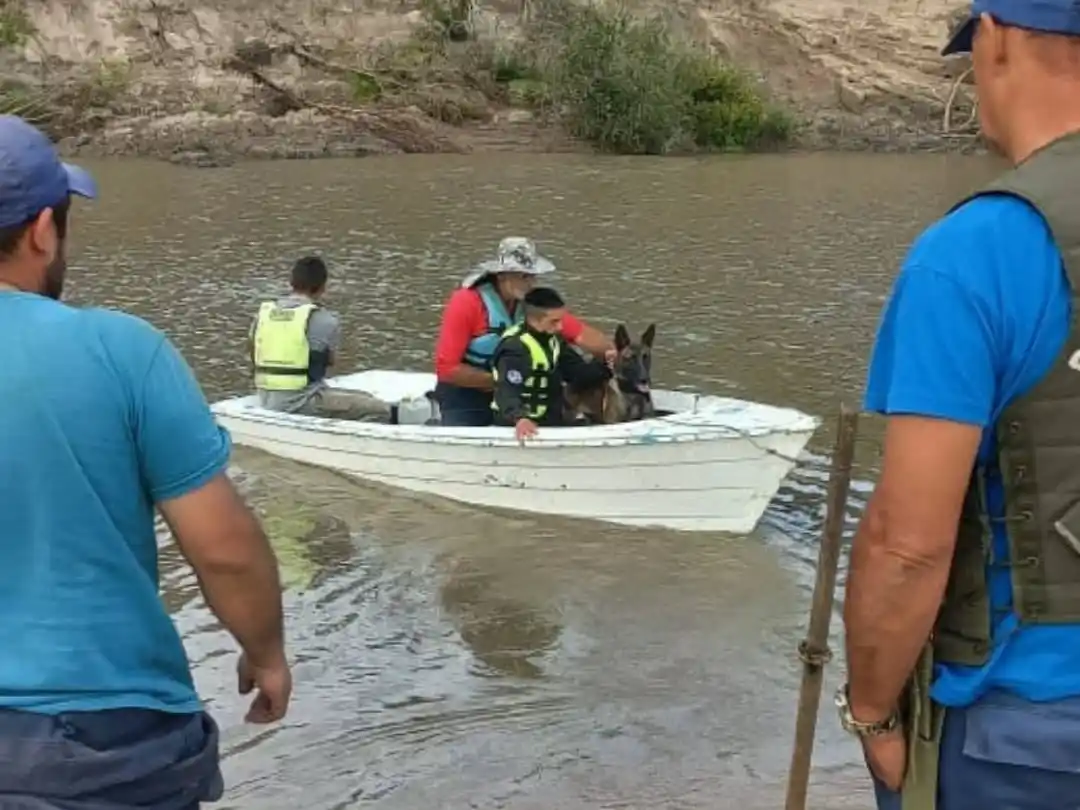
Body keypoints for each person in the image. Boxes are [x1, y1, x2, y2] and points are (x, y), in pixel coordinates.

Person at [0, 114, 291, 808]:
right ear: (43, 230)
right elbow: (224, 550)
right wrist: (266, 653)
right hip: (102, 746)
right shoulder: (123, 351)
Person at [839, 3, 1080, 809]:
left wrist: (872, 712)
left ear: (994, 40)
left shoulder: (975, 252)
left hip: (1024, 743)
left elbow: (907, 546)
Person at [433, 236, 615, 426]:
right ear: (501, 275)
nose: (530, 283)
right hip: (467, 393)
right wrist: (506, 382)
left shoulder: (534, 305)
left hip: (518, 389)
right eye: (523, 276)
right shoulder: (466, 302)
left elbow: (583, 335)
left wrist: (611, 355)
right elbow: (447, 369)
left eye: (533, 276)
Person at [250, 255, 393, 421]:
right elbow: (330, 361)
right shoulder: (325, 320)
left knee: (364, 396)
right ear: (322, 287)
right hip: (300, 400)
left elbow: (253, 353)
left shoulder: (263, 315)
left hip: (265, 396)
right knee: (380, 408)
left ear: (291, 282)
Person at [491, 287, 612, 442]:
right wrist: (519, 418)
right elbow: (507, 390)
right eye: (554, 322)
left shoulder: (554, 341)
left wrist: (606, 365)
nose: (560, 327)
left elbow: (578, 373)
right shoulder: (515, 348)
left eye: (561, 320)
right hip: (515, 425)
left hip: (550, 420)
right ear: (534, 320)